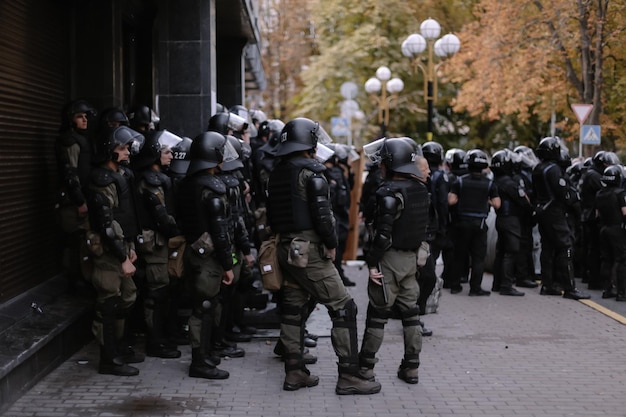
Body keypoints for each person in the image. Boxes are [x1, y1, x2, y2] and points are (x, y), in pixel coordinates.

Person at [266, 117, 380, 395]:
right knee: (343, 307)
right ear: (309, 143)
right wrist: (331, 244)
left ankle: (295, 372)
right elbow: (322, 215)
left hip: (286, 248)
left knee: (293, 307)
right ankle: (349, 376)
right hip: (310, 249)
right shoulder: (312, 173)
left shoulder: (277, 171)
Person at [359, 137, 430, 386]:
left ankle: (366, 368)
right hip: (411, 260)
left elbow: (382, 236)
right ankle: (411, 368)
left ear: (392, 164)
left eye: (383, 161)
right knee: (411, 315)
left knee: (377, 315)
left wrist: (371, 263)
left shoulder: (388, 194)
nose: (379, 166)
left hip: (388, 260)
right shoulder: (421, 189)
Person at [176, 131, 239, 380]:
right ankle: (199, 362)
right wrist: (228, 264)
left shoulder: (187, 183)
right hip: (209, 259)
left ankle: (204, 355)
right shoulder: (212, 187)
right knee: (203, 308)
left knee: (203, 306)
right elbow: (220, 230)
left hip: (193, 252)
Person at [86, 125, 146, 376]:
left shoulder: (122, 175)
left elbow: (126, 216)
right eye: (121, 148)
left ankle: (118, 348)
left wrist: (131, 247)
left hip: (123, 247)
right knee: (109, 302)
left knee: (126, 297)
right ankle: (108, 359)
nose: (127, 152)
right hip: (109, 254)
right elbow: (107, 224)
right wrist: (122, 256)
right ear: (108, 151)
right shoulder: (101, 180)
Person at [132, 129, 185, 359]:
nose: (171, 155)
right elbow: (161, 215)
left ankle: (162, 336)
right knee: (157, 291)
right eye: (166, 152)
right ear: (155, 154)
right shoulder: (151, 181)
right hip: (154, 245)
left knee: (163, 290)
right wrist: (177, 229)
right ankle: (155, 342)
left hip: (158, 242)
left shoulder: (154, 178)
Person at [532, 137, 590, 300]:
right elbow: (563, 192)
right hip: (555, 212)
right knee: (566, 247)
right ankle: (570, 288)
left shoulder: (537, 168)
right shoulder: (553, 169)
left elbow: (535, 193)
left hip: (543, 211)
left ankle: (547, 285)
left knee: (547, 248)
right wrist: (572, 201)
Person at [55, 99, 97, 293]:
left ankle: (79, 279)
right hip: (73, 202)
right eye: (80, 116)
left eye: (86, 116)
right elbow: (70, 173)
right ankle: (73, 281)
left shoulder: (81, 138)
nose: (84, 120)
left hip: (80, 198)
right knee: (75, 242)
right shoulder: (70, 140)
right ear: (70, 119)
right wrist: (80, 201)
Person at [448, 149, 501, 295]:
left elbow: (451, 200)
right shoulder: (490, 184)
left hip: (462, 223)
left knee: (459, 255)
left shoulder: (460, 181)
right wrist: (487, 200)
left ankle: (455, 285)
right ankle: (475, 288)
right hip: (480, 224)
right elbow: (497, 204)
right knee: (478, 258)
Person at [490, 149, 532, 296]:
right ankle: (506, 285)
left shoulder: (495, 181)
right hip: (511, 220)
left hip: (501, 219)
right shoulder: (509, 183)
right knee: (511, 251)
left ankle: (497, 284)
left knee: (501, 251)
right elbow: (523, 201)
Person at [593, 165, 626, 300]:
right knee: (622, 260)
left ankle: (607, 290)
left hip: (604, 229)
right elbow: (625, 212)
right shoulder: (620, 193)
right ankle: (622, 293)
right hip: (617, 229)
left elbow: (597, 215)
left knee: (607, 260)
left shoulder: (599, 194)